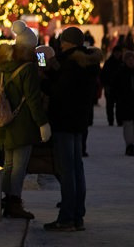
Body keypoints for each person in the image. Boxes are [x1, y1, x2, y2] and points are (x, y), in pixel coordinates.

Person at [42, 25, 102, 232]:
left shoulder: (70, 64)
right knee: (77, 169)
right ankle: (77, 216)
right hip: (79, 121)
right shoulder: (88, 63)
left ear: (67, 42)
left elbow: (59, 92)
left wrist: (45, 78)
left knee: (67, 170)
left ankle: (67, 217)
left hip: (64, 121)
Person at [0, 21, 50, 220]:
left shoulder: (5, 65)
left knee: (8, 165)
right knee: (19, 167)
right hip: (22, 124)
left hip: (6, 121)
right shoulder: (28, 68)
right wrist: (43, 123)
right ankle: (14, 202)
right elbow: (34, 98)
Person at [100, 46, 124, 126]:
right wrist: (105, 85)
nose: (117, 54)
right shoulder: (108, 63)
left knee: (120, 106)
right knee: (110, 106)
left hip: (120, 88)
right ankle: (111, 121)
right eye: (116, 52)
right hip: (110, 87)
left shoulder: (123, 63)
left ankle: (119, 121)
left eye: (119, 52)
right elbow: (103, 75)